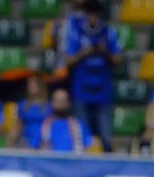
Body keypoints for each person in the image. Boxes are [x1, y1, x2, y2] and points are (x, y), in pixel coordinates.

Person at [63, 0, 120, 152]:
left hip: (102, 93)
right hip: (81, 91)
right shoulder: (77, 33)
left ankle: (109, 167)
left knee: (106, 137)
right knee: (83, 137)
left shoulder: (108, 33)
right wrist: (83, 53)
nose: (93, 18)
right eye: (90, 14)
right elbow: (68, 60)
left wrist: (104, 51)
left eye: (96, 15)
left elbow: (117, 60)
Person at [34, 87, 94, 152]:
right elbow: (34, 148)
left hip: (74, 161)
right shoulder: (43, 125)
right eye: (58, 100)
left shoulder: (79, 125)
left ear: (68, 103)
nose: (61, 103)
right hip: (49, 162)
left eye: (63, 100)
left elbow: (89, 147)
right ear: (52, 103)